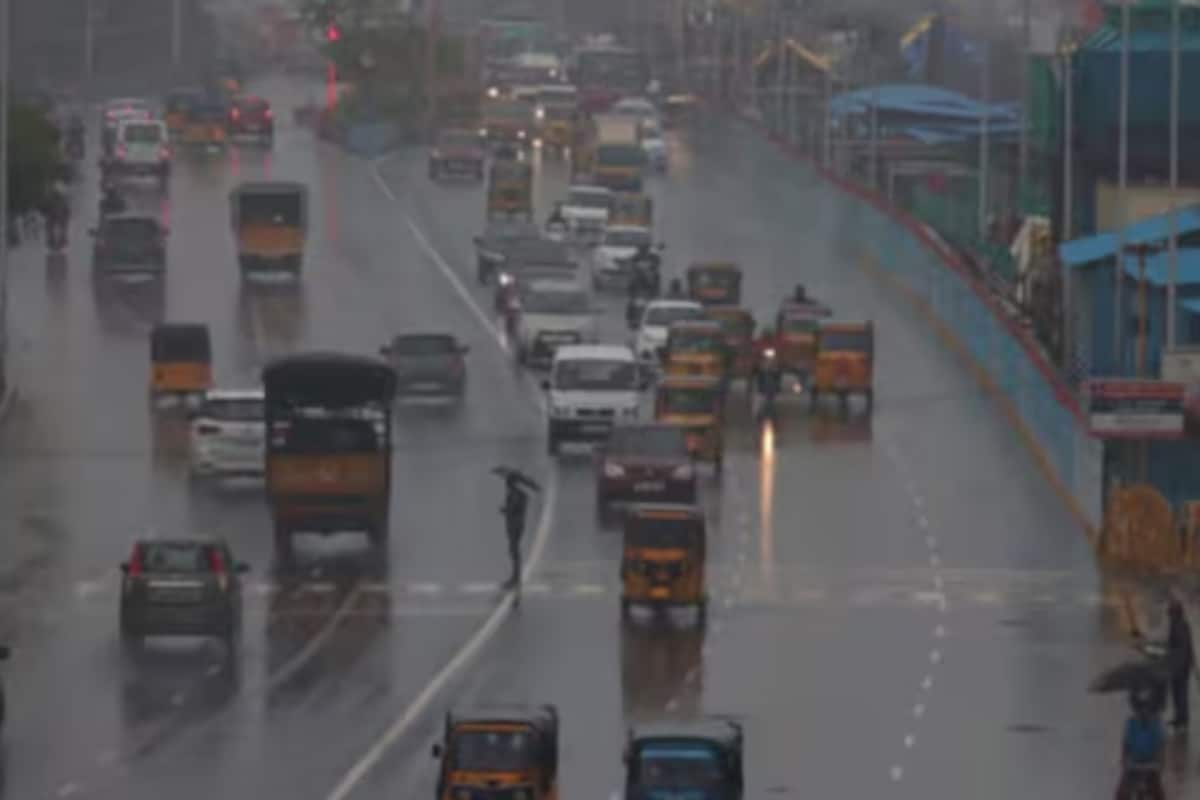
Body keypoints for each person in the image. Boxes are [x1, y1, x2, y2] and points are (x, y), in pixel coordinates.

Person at [1115, 684, 1166, 800]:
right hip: (1134, 764)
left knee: (1159, 792)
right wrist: (1124, 759)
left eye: (1146, 708)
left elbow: (1161, 745)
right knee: (1121, 793)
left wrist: (1160, 761)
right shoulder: (1131, 724)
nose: (1143, 712)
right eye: (1140, 708)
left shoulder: (1156, 724)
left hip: (1151, 764)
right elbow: (1126, 744)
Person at [495, 467, 540, 590]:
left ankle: (516, 577)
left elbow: (513, 508)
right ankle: (515, 577)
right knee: (513, 550)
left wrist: (504, 510)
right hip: (515, 523)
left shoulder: (516, 494)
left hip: (515, 524)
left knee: (514, 550)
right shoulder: (519, 493)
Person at [1165, 598, 1194, 729]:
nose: (1169, 616)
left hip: (1180, 666)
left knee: (1180, 693)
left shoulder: (1178, 626)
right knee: (1178, 692)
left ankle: (1182, 720)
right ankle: (1180, 718)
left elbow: (1182, 648)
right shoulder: (1180, 624)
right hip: (1180, 665)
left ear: (1175, 613)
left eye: (1170, 613)